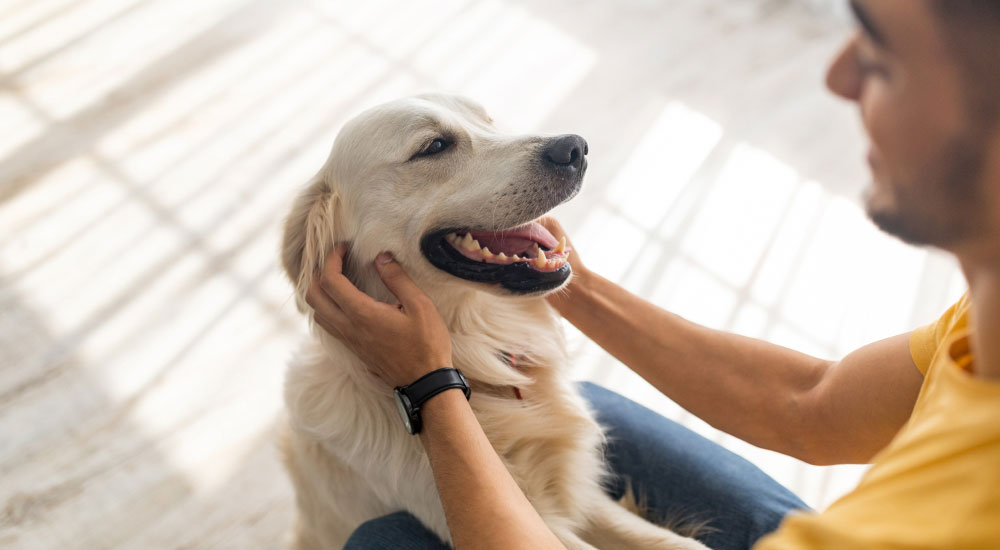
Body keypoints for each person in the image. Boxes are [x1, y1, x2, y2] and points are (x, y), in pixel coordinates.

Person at [304, 1, 1000, 548]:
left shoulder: (936, 521)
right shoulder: (977, 325)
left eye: (883, 49)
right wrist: (564, 276)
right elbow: (811, 402)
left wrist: (430, 388)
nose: (837, 75)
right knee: (594, 414)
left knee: (384, 540)